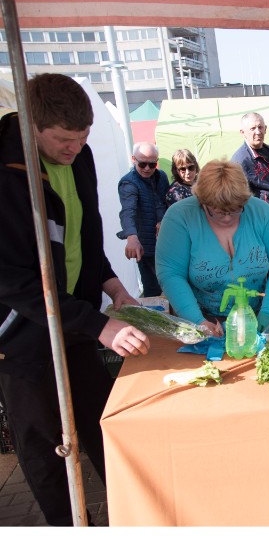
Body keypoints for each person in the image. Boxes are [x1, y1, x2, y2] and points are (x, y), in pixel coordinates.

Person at [0, 73, 150, 526]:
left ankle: (135, 519)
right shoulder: (6, 171)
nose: (75, 148)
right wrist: (98, 324)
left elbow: (83, 237)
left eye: (82, 138)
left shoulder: (78, 156)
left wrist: (113, 287)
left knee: (103, 422)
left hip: (76, 324)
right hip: (20, 335)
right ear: (30, 124)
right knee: (45, 446)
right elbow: (11, 280)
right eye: (64, 139)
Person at [155, 160, 269, 338]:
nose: (228, 217)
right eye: (219, 211)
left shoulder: (262, 212)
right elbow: (170, 273)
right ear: (202, 202)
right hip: (202, 319)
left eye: (236, 209)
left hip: (254, 317)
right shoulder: (179, 217)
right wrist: (197, 321)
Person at [117, 141, 169, 297]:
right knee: (153, 291)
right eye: (142, 164)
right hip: (147, 247)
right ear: (134, 159)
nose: (147, 168)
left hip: (166, 243)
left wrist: (163, 220)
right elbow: (128, 211)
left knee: (172, 286)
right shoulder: (128, 183)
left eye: (152, 164)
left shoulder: (162, 176)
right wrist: (132, 237)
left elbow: (166, 203)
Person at [230, 112, 269, 219]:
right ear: (242, 132)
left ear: (265, 129)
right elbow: (238, 198)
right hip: (262, 218)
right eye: (253, 128)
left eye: (260, 127)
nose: (258, 132)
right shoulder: (240, 160)